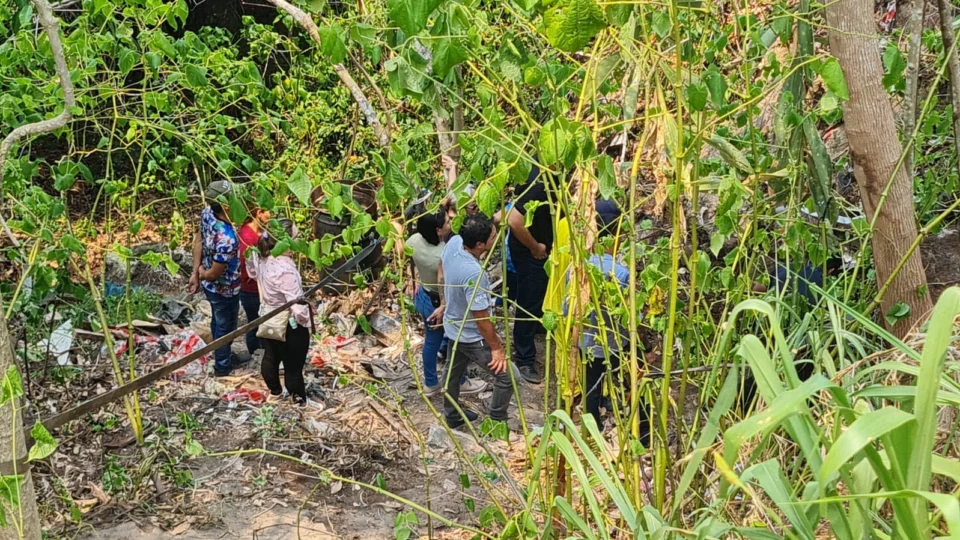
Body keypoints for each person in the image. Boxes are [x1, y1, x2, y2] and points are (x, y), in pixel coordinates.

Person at [568, 202, 649, 440]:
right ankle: (642, 431)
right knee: (636, 381)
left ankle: (592, 432)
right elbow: (631, 315)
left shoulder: (577, 267)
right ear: (618, 235)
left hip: (587, 341)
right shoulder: (621, 272)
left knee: (591, 386)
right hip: (618, 342)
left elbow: (567, 308)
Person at [441, 214, 513, 428]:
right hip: (471, 336)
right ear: (481, 245)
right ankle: (496, 420)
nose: (497, 236)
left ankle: (452, 415)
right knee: (509, 378)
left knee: (452, 372)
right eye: (493, 236)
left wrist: (445, 303)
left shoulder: (455, 242)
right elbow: (481, 318)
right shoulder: (474, 273)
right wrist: (497, 348)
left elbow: (443, 269)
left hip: (453, 325)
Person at [407, 208, 485, 396]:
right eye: (447, 223)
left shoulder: (414, 241)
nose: (451, 224)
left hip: (424, 295)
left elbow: (404, 252)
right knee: (456, 342)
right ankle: (460, 381)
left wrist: (413, 278)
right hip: (440, 302)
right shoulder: (445, 252)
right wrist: (444, 305)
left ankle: (431, 382)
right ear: (438, 231)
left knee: (430, 342)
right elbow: (448, 278)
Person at [247, 219, 317, 407]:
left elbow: (252, 274)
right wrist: (306, 322)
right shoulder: (285, 268)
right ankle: (299, 400)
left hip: (268, 315)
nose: (299, 239)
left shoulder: (259, 256)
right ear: (286, 241)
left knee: (270, 356)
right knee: (293, 365)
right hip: (288, 321)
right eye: (296, 236)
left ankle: (275, 391)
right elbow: (295, 304)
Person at [189, 180, 250, 377]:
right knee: (227, 326)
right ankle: (222, 366)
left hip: (211, 284)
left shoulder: (207, 213)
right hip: (224, 289)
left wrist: (196, 271)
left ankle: (220, 354)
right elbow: (215, 272)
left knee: (218, 320)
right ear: (225, 205)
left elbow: (198, 239)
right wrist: (202, 274)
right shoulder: (227, 239)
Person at [507, 162, 556, 384]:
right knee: (529, 301)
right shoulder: (541, 183)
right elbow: (514, 219)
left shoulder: (534, 165)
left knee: (535, 296)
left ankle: (535, 327)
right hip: (532, 253)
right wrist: (535, 247)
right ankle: (524, 357)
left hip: (535, 248)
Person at [238, 207, 271, 357]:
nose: (271, 217)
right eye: (269, 213)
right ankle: (255, 354)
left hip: (258, 286)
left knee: (259, 322)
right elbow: (248, 266)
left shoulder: (257, 232)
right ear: (259, 213)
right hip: (251, 288)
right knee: (255, 323)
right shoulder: (247, 237)